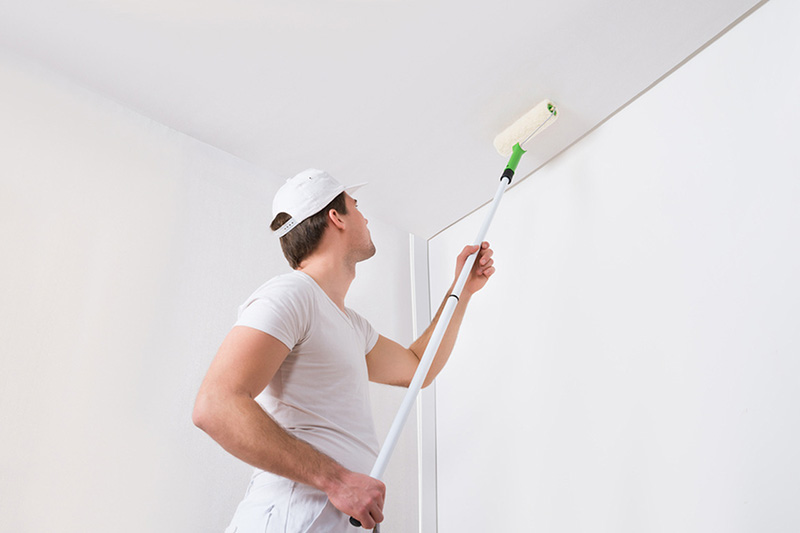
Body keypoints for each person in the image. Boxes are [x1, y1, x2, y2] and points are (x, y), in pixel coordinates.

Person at [192, 168, 495, 532]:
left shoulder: (351, 325)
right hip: (292, 517)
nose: (365, 217)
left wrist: (461, 290)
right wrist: (337, 481)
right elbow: (215, 404)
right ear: (336, 217)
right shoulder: (292, 295)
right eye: (356, 205)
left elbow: (418, 368)